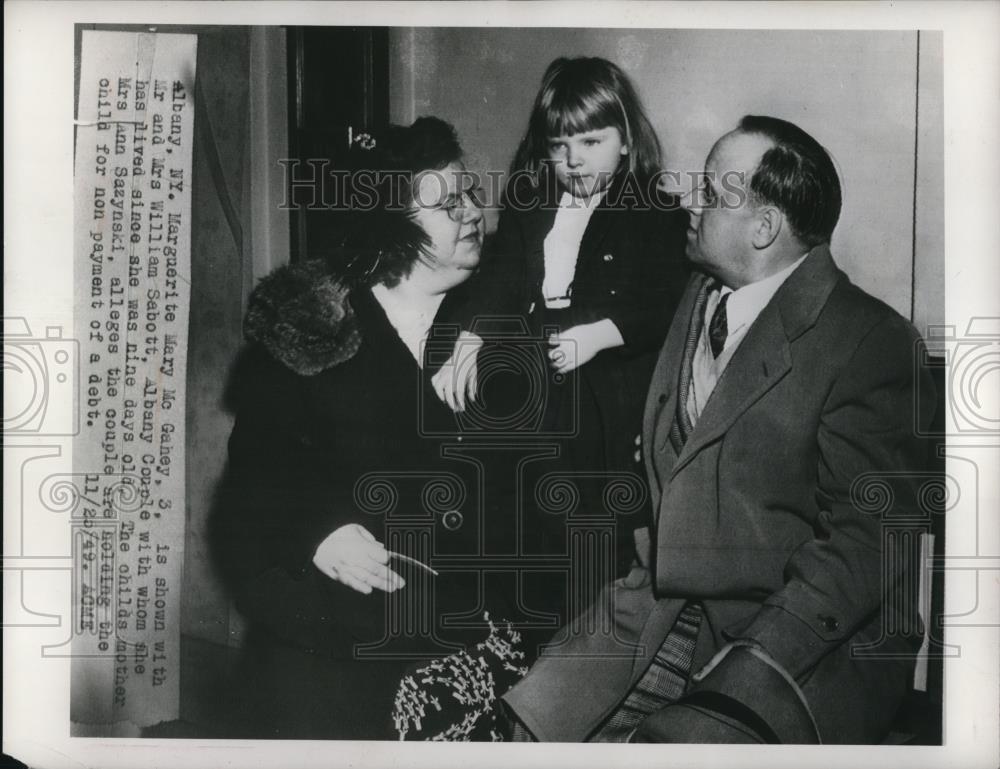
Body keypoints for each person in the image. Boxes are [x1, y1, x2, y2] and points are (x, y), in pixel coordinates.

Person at [499, 115, 936, 743]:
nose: (690, 202)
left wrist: (754, 659)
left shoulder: (873, 342)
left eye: (709, 191)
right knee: (528, 728)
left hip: (800, 639)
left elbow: (866, 547)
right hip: (663, 604)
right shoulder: (697, 293)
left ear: (763, 228)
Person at [211, 117, 528, 740]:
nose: (470, 213)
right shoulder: (313, 333)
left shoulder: (494, 323)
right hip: (339, 656)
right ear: (391, 225)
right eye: (445, 204)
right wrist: (316, 536)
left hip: (468, 648)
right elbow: (248, 496)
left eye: (468, 193)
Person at [432, 57, 689, 604]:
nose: (572, 162)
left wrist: (601, 333)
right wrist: (472, 339)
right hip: (531, 378)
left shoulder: (654, 211)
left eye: (591, 143)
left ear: (625, 140)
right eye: (558, 147)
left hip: (605, 397)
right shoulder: (531, 201)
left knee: (590, 545)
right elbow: (500, 276)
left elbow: (667, 301)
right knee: (514, 525)